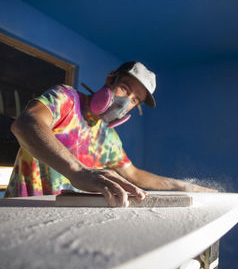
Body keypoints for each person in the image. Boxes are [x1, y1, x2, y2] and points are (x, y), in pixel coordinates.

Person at [4, 61, 215, 206]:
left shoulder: (110, 140)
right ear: (110, 79)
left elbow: (134, 174)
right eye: (125, 88)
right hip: (20, 211)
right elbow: (26, 124)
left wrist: (181, 185)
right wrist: (79, 172)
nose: (126, 101)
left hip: (58, 225)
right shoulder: (66, 98)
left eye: (134, 100)